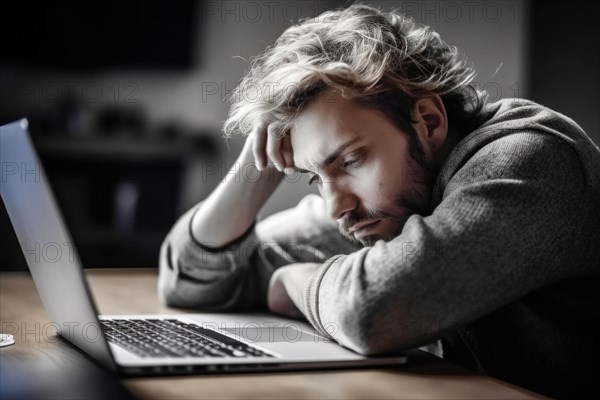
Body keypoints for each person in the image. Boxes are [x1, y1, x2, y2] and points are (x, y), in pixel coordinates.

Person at [158, 4, 600, 398]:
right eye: (314, 177)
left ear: (427, 121)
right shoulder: (392, 205)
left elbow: (373, 310)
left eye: (350, 161)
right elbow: (192, 281)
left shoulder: (529, 159)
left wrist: (295, 280)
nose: (336, 208)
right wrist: (255, 172)